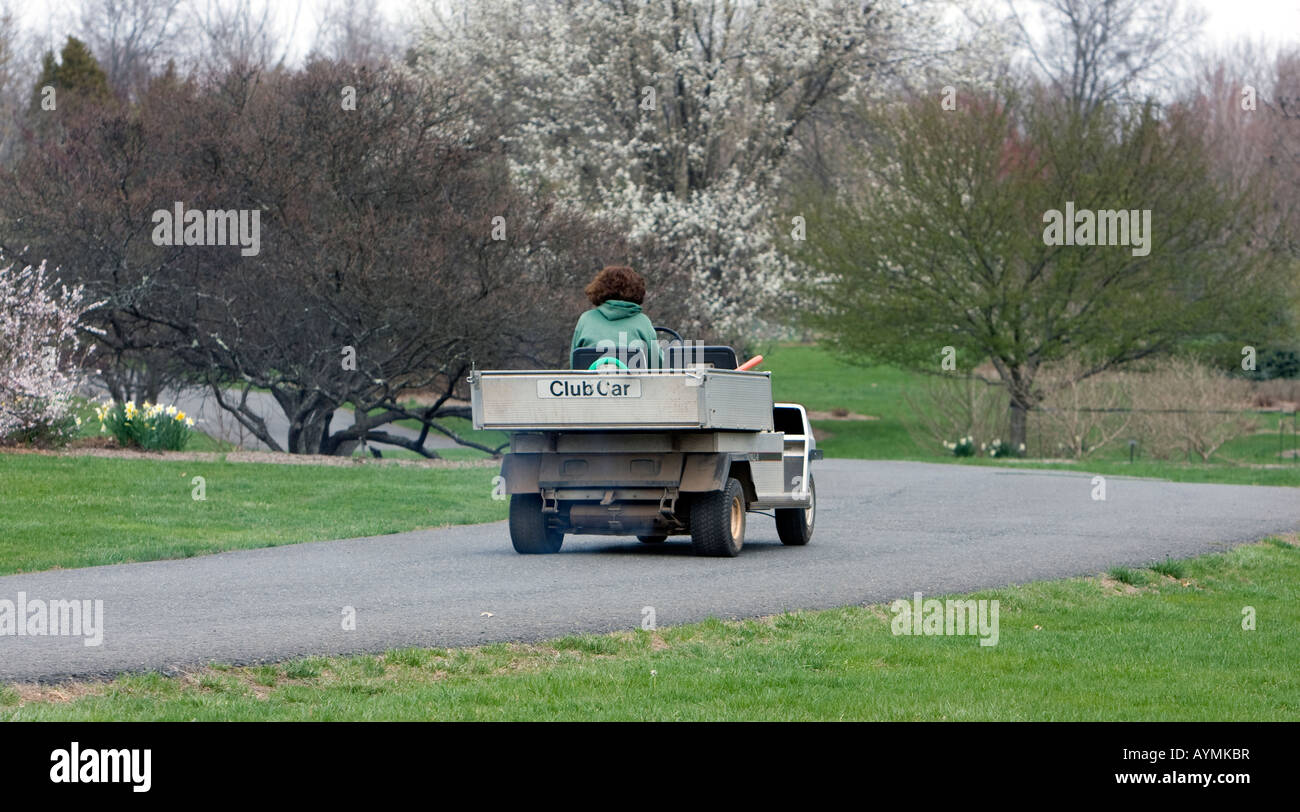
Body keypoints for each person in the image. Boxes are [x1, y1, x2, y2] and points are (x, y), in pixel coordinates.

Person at [570, 265, 664, 369]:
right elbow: (657, 364)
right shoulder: (642, 322)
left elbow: (574, 363)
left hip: (591, 384)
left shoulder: (586, 319)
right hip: (634, 384)